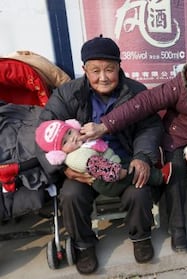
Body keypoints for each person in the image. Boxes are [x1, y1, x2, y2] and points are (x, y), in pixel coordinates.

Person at [79, 55, 187, 253]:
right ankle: (177, 228)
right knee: (173, 170)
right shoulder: (184, 83)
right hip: (177, 137)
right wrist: (105, 126)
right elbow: (145, 102)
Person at [35, 36, 164, 275]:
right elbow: (43, 133)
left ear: (119, 67)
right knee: (71, 195)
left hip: (123, 160)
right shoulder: (67, 94)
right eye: (95, 70)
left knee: (139, 188)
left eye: (109, 69)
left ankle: (141, 237)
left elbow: (150, 127)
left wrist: (142, 157)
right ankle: (84, 245)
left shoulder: (136, 92)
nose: (103, 77)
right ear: (84, 70)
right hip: (82, 167)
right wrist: (64, 170)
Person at [35, 119, 172, 197]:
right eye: (65, 142)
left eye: (70, 132)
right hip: (108, 181)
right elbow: (97, 166)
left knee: (131, 162)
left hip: (113, 164)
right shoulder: (76, 156)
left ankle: (154, 168)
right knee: (133, 172)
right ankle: (160, 177)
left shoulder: (82, 143)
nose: (72, 138)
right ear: (58, 153)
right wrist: (119, 173)